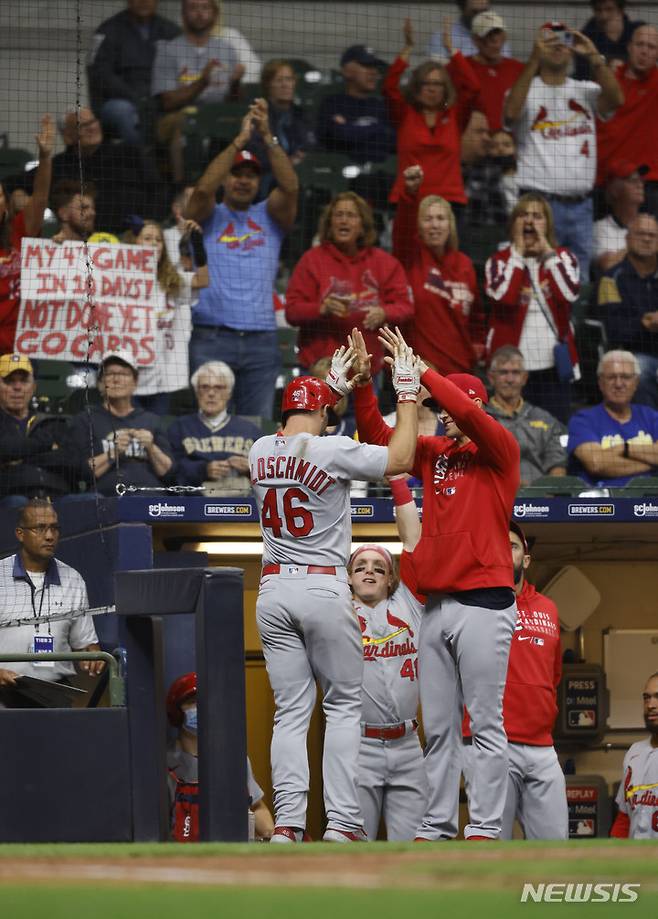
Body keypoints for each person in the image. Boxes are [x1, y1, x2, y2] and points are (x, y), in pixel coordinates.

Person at [352, 326, 520, 841]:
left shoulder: (500, 450)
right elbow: (379, 440)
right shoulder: (436, 452)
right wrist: (364, 384)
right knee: (441, 729)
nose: (442, 413)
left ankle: (487, 826)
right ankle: (440, 823)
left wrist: (424, 371)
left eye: (447, 405)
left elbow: (470, 414)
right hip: (436, 605)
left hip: (485, 603)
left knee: (485, 724)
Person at [248, 346, 419, 843]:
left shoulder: (259, 449)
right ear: (322, 414)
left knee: (291, 712)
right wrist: (404, 392)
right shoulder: (331, 448)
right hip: (322, 584)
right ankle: (343, 822)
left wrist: (331, 391)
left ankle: (287, 825)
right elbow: (402, 457)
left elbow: (298, 433)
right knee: (343, 706)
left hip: (274, 588)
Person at [185, 99, 298, 419]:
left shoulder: (269, 217)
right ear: (226, 178)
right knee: (209, 423)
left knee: (255, 427)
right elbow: (203, 190)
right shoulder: (206, 216)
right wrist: (239, 141)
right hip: (211, 335)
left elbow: (290, 187)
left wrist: (267, 137)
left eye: (251, 174)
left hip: (262, 340)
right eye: (236, 173)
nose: (244, 180)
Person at [462, 522, 568, 840]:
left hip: (542, 747)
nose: (505, 552)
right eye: (499, 546)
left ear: (526, 559)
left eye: (513, 546)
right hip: (492, 744)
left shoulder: (548, 609)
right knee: (491, 846)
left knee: (556, 849)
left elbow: (554, 675)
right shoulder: (471, 605)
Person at [504, 22, 623, 280]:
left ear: (571, 48)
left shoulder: (585, 90)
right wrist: (534, 60)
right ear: (538, 45)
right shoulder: (526, 91)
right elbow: (510, 113)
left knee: (577, 283)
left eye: (564, 39)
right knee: (536, 277)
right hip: (539, 205)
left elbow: (616, 100)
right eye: (550, 39)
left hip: (581, 206)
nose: (558, 44)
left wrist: (594, 56)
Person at [350, 479, 427, 841]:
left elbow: (413, 542)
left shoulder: (407, 605)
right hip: (357, 744)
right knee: (354, 849)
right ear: (348, 578)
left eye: (378, 568)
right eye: (360, 566)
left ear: (391, 579)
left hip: (408, 745)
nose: (369, 571)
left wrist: (398, 483)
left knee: (414, 851)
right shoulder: (337, 608)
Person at [285, 192, 413, 376]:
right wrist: (321, 309)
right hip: (321, 370)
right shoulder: (312, 260)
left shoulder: (384, 263)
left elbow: (406, 306)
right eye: (338, 215)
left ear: (363, 226)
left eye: (351, 215)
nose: (343, 221)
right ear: (329, 224)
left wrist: (385, 312)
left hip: (365, 370)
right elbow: (292, 311)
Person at [484, 193, 580, 424]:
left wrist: (548, 253)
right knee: (509, 431)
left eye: (537, 216)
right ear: (513, 222)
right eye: (523, 215)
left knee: (554, 429)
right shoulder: (499, 260)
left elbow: (569, 293)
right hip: (511, 368)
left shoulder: (563, 257)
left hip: (553, 367)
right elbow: (502, 296)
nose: (529, 221)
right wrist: (517, 254)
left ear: (547, 223)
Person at [0, 499, 102, 708]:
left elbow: (85, 644)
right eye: (40, 528)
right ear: (20, 534)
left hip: (55, 697)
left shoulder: (73, 580)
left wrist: (91, 657)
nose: (49, 536)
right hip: (4, 694)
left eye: (54, 528)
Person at [392, 165, 484, 376]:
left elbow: (477, 316)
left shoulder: (465, 264)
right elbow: (403, 226)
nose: (435, 225)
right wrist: (410, 193)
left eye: (441, 219)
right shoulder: (410, 258)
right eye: (428, 219)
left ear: (450, 224)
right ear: (418, 226)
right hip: (421, 371)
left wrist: (479, 346)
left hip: (461, 370)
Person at [383, 18, 480, 211]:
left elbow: (474, 88)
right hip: (409, 199)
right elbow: (388, 88)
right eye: (426, 83)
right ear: (416, 88)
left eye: (437, 84)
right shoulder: (405, 114)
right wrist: (408, 48)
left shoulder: (455, 116)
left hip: (448, 202)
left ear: (445, 89)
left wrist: (452, 50)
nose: (431, 89)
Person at [166, 672, 274, 841]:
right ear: (177, 711)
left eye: (203, 703)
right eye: (191, 702)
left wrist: (271, 834)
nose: (198, 709)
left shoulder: (233, 759)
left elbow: (256, 806)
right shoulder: (166, 762)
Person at [151, 0, 242, 184]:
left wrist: (235, 83)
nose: (199, 13)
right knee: (187, 123)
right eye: (193, 8)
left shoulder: (227, 50)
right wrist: (203, 81)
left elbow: (234, 103)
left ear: (215, 14)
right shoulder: (168, 50)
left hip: (218, 115)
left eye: (205, 7)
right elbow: (168, 101)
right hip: (177, 116)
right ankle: (183, 188)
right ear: (183, 14)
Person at [124, 218, 208, 414]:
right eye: (147, 238)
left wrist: (197, 243)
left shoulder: (170, 281)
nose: (153, 243)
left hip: (160, 379)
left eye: (158, 239)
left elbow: (202, 280)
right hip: (125, 377)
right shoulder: (117, 279)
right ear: (134, 242)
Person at [70, 349, 174, 496]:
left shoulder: (152, 420)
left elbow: (169, 474)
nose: (116, 379)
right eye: (110, 374)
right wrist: (114, 452)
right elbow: (81, 473)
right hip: (105, 502)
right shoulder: (85, 420)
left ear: (135, 382)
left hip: (151, 500)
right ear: (100, 383)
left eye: (124, 374)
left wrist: (151, 447)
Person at [37, 107, 157, 234]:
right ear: (67, 136)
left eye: (93, 121)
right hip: (85, 242)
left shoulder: (130, 154)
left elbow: (158, 190)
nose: (92, 128)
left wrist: (148, 224)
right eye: (82, 125)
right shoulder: (57, 166)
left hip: (134, 236)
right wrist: (19, 192)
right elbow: (20, 184)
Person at [87, 0, 180, 146]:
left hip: (160, 102)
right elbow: (99, 73)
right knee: (125, 112)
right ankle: (141, 163)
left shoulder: (171, 31)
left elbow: (181, 72)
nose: (143, 2)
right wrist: (136, 97)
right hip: (120, 101)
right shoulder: (107, 30)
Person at [0, 115, 54, 354]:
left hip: (22, 348)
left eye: (0, 195)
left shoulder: (20, 231)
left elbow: (40, 197)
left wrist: (44, 157)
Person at [567, 349, 658, 487]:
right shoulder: (583, 420)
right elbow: (596, 463)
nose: (619, 384)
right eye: (611, 377)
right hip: (604, 502)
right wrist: (652, 463)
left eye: (626, 377)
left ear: (636, 382)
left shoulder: (651, 416)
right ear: (600, 383)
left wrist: (624, 448)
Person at [168, 360, 262, 493]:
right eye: (205, 387)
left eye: (219, 388)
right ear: (196, 392)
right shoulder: (179, 427)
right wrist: (203, 470)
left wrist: (251, 469)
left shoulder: (250, 430)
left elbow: (270, 475)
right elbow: (170, 472)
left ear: (229, 393)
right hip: (194, 506)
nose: (211, 393)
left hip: (243, 506)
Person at [0, 354, 79, 504]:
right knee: (17, 503)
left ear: (34, 386)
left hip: (58, 497)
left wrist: (21, 459)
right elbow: (4, 449)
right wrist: (48, 446)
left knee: (92, 500)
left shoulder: (53, 422)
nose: (17, 387)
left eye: (24, 381)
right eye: (9, 381)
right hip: (12, 499)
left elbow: (75, 463)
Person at [596, 25, 658, 212]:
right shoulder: (609, 82)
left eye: (651, 47)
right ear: (629, 47)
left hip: (648, 185)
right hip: (606, 183)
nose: (644, 51)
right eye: (640, 44)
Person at [599, 215, 658, 408]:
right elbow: (612, 328)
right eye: (641, 234)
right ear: (627, 239)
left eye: (652, 235)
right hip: (630, 353)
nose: (647, 239)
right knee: (641, 369)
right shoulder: (611, 279)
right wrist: (645, 324)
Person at [487, 345, 567, 485]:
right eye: (503, 372)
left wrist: (551, 495)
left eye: (516, 373)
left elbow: (557, 465)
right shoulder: (481, 418)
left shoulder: (544, 418)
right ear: (491, 378)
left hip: (540, 499)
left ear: (524, 378)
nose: (510, 379)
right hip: (494, 495)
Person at [316, 45, 395, 164]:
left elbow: (392, 139)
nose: (373, 72)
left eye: (375, 67)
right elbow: (336, 137)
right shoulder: (332, 103)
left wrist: (349, 129)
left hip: (380, 174)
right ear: (347, 71)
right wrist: (377, 129)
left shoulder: (382, 105)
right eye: (366, 66)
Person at [248, 60, 315, 195]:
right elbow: (257, 152)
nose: (285, 85)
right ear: (268, 84)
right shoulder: (258, 115)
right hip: (269, 177)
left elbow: (312, 145)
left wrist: (301, 159)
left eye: (289, 79)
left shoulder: (301, 115)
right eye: (279, 80)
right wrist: (285, 162)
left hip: (302, 174)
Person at [610, 671, 658, 839]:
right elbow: (624, 818)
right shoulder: (634, 753)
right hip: (636, 861)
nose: (651, 704)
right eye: (647, 698)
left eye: (657, 697)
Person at [467, 11, 523, 133]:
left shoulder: (519, 69)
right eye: (488, 36)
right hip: (476, 143)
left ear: (504, 36)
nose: (495, 41)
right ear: (475, 39)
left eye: (498, 34)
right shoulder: (461, 68)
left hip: (509, 143)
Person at [594, 160, 648, 271]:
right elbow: (607, 264)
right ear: (614, 189)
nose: (640, 185)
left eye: (641, 180)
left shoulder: (651, 226)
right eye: (633, 181)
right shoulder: (600, 228)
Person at [575, 0, 644, 80]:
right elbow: (582, 75)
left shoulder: (638, 31)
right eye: (598, 10)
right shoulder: (586, 37)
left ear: (620, 10)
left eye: (609, 9)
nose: (604, 16)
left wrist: (625, 67)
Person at [428, 1, 511, 60]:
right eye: (475, 12)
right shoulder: (441, 38)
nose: (480, 16)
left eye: (484, 11)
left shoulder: (497, 37)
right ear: (462, 8)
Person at [163, 186, 196, 269]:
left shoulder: (211, 235)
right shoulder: (164, 237)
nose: (198, 201)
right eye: (192, 198)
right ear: (177, 208)